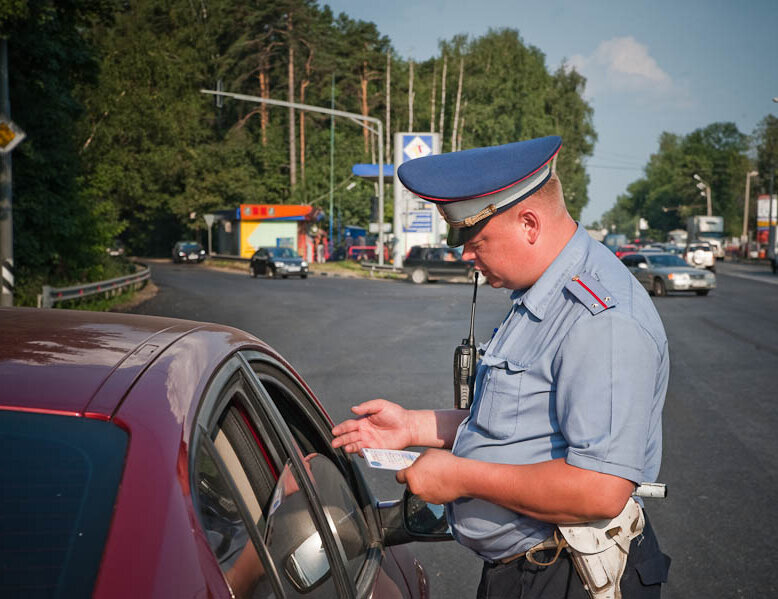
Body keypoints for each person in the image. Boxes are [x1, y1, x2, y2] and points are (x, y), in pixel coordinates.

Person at [331, 136, 671, 598]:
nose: (465, 255)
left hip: (569, 576)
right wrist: (412, 427)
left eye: (475, 239)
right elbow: (517, 426)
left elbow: (599, 489)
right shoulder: (542, 294)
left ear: (529, 223)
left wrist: (458, 475)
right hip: (531, 570)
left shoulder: (602, 320)